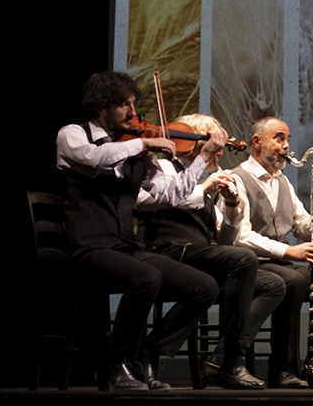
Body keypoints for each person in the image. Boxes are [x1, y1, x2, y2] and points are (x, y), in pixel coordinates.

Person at [56, 71, 221, 391]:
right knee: (146, 277)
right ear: (101, 106)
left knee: (204, 286)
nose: (133, 113)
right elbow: (94, 160)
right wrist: (143, 144)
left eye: (134, 104)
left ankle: (145, 354)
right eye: (123, 105)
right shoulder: (73, 135)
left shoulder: (134, 148)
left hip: (122, 247)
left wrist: (201, 158)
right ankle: (116, 364)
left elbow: (171, 196)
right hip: (85, 249)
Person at [137, 114, 284, 389]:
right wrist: (204, 187)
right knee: (242, 259)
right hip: (168, 252)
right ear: (193, 144)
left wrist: (230, 206)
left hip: (198, 258)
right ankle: (233, 360)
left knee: (273, 283)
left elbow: (226, 239)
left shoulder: (205, 182)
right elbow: (162, 197)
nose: (220, 151)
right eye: (214, 144)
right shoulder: (166, 168)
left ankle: (223, 358)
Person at [226, 116, 313, 389]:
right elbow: (241, 236)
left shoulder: (282, 181)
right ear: (257, 142)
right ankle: (283, 369)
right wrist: (289, 251)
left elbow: (301, 226)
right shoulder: (237, 179)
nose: (286, 146)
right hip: (252, 265)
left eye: (288, 140)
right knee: (295, 280)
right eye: (279, 138)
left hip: (282, 262)